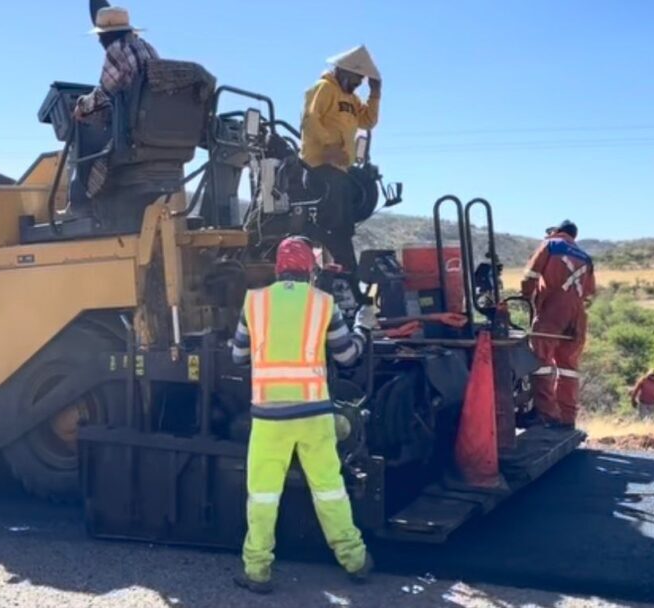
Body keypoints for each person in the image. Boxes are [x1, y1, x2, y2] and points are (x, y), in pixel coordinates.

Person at [230, 236, 376, 594]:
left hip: (268, 419)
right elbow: (347, 356)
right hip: (314, 415)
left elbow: (237, 356)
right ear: (310, 270)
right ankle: (355, 560)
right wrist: (364, 327)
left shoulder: (255, 302)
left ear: (278, 268)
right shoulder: (323, 303)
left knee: (263, 496)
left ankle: (257, 572)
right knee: (329, 490)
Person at [299, 45, 382, 272]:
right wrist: (329, 146)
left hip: (339, 170)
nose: (359, 83)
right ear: (344, 71)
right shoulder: (324, 88)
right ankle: (345, 270)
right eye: (357, 77)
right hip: (319, 167)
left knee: (343, 223)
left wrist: (375, 94)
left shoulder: (351, 100)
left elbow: (368, 121)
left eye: (362, 80)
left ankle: (342, 270)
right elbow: (310, 119)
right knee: (336, 226)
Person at [70, 7, 158, 207]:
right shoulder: (148, 48)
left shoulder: (117, 49)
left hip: (134, 135)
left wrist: (81, 107)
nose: (100, 41)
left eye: (101, 36)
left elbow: (103, 93)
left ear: (108, 35)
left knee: (86, 138)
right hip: (154, 131)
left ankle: (82, 203)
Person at [521, 220, 596, 427]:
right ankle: (567, 418)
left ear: (557, 231)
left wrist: (527, 298)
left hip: (552, 311)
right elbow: (590, 293)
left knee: (541, 361)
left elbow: (530, 275)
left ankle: (546, 415)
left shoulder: (551, 244)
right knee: (568, 368)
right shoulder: (586, 257)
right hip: (577, 316)